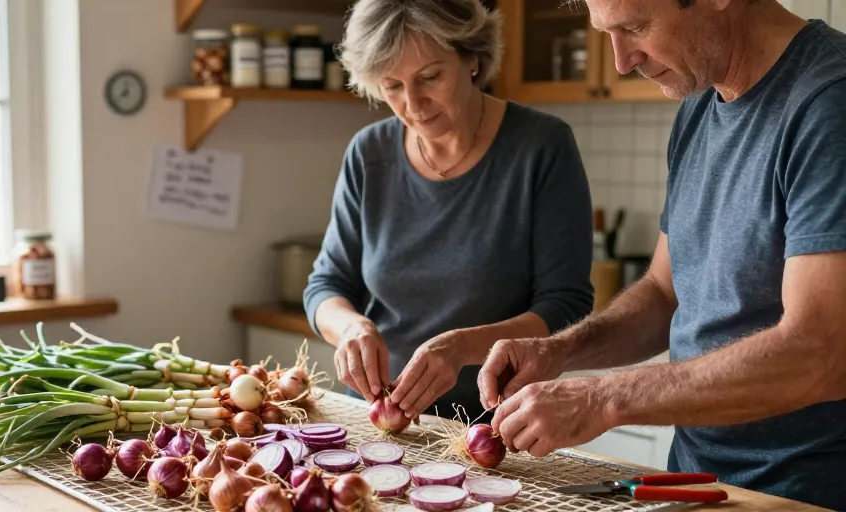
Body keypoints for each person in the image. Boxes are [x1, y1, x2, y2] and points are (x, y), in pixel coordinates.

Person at [476, 0, 846, 509]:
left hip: (804, 494)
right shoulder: (698, 102)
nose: (622, 61)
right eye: (607, 32)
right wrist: (561, 352)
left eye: (634, 27)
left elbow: (821, 354)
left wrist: (603, 398)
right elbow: (663, 292)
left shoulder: (830, 103)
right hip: (695, 485)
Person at [303, 0, 595, 422]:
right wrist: (350, 327)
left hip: (497, 422)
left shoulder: (541, 147)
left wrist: (462, 348)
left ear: (472, 58)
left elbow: (566, 306)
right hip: (379, 417)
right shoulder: (369, 153)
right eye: (393, 86)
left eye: (430, 77)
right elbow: (325, 286)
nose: (414, 104)